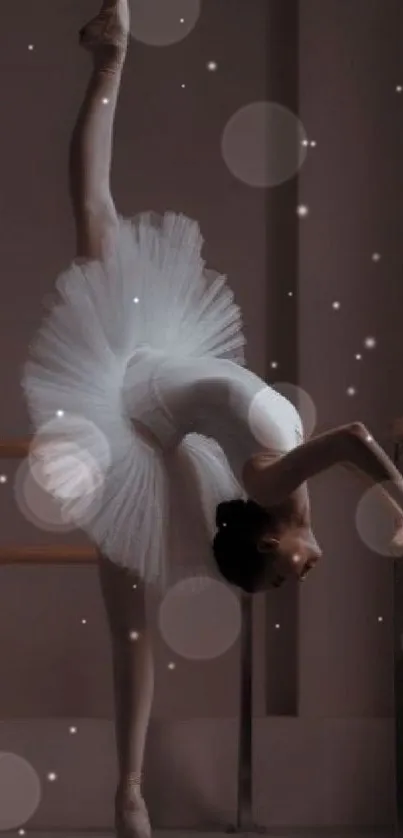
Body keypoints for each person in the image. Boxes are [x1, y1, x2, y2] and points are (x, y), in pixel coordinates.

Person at [21, 1, 403, 835]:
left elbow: (353, 441)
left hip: (130, 390)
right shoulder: (264, 478)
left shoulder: (269, 475)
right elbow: (340, 453)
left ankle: (111, 59)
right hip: (159, 378)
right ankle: (129, 787)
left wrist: (399, 498)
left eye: (279, 572)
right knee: (96, 212)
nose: (298, 575)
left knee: (93, 206)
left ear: (271, 537)